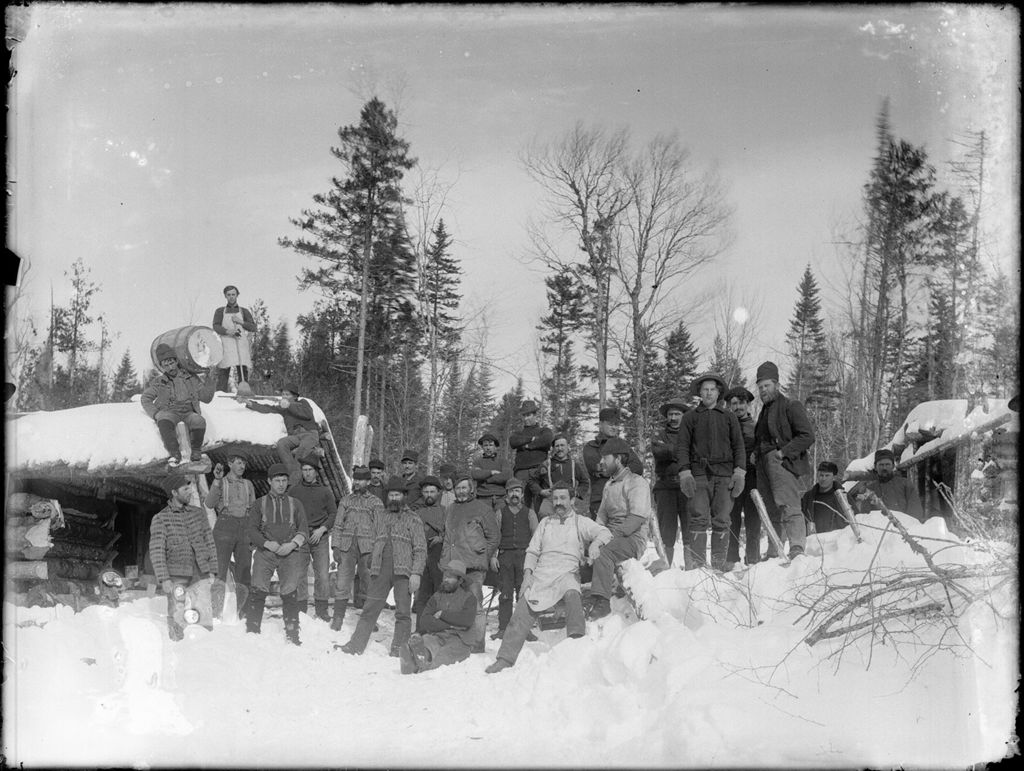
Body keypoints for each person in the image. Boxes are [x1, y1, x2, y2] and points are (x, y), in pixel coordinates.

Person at [485, 483, 612, 674]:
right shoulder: (545, 523)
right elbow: (533, 551)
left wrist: (595, 545)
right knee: (522, 609)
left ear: (571, 500)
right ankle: (504, 658)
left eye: (563, 498)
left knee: (572, 594)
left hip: (566, 573)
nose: (558, 502)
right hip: (542, 574)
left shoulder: (580, 522)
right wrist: (528, 575)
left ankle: (576, 646)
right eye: (555, 498)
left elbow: (605, 532)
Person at [339, 478, 427, 656]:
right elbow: (371, 539)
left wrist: (416, 573)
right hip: (380, 570)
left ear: (404, 496)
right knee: (370, 608)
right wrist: (371, 560)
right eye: (391, 495)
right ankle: (356, 645)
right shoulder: (381, 516)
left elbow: (420, 548)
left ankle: (399, 649)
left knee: (403, 612)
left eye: (397, 495)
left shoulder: (413, 519)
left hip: (404, 571)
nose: (394, 498)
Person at [675, 374, 747, 572]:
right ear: (699, 392)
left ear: (718, 392)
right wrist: (685, 472)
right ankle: (698, 565)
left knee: (722, 518)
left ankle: (718, 564)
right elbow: (682, 447)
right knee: (698, 517)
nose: (708, 393)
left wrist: (739, 472)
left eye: (712, 389)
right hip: (698, 475)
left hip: (724, 475)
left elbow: (739, 447)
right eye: (705, 389)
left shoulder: (729, 417)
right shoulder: (690, 417)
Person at [753, 361, 815, 560]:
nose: (763, 390)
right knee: (771, 508)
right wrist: (756, 453)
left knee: (789, 505)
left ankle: (797, 546)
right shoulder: (763, 412)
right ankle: (774, 549)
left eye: (767, 385)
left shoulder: (791, 406)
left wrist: (784, 452)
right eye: (760, 387)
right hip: (763, 465)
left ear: (777, 385)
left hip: (781, 462)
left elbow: (807, 436)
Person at [244, 464, 310, 645]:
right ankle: (252, 630)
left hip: (289, 553)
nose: (281, 485)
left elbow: (304, 529)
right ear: (269, 482)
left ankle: (292, 633)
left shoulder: (295, 504)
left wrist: (292, 544)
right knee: (258, 588)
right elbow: (252, 530)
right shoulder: (259, 504)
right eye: (277, 481)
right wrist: (267, 544)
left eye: (284, 481)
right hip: (266, 551)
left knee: (289, 591)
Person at [590, 437, 654, 619]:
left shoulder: (637, 482)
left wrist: (605, 539)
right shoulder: (609, 485)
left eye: (605, 458)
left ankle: (602, 603)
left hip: (632, 538)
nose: (601, 462)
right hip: (612, 536)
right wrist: (594, 536)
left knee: (602, 553)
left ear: (618, 459)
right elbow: (601, 516)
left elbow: (635, 520)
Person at [149, 474, 218, 641]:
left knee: (204, 612)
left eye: (190, 487)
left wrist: (213, 570)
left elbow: (209, 541)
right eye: (185, 488)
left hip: (200, 571)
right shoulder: (161, 519)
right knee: (176, 611)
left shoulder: (198, 514)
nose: (190, 492)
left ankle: (204, 648)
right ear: (174, 492)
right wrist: (164, 578)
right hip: (176, 574)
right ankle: (176, 645)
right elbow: (156, 551)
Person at [440, 475, 500, 653]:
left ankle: (477, 644)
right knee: (450, 604)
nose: (461, 492)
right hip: (452, 564)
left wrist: (481, 555)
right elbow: (447, 535)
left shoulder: (482, 509)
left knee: (475, 606)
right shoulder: (450, 509)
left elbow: (494, 537)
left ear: (471, 489)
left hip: (473, 567)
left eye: (464, 488)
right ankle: (454, 641)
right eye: (458, 488)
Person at [141, 343, 216, 466]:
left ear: (176, 361)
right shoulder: (160, 382)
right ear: (162, 367)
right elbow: (145, 398)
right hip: (170, 411)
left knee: (199, 420)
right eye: (166, 365)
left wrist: (210, 379)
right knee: (164, 420)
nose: (170, 367)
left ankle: (196, 450)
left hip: (188, 411)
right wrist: (156, 413)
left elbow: (206, 398)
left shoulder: (191, 378)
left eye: (171, 363)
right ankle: (174, 453)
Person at [400, 560, 479, 675]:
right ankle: (419, 655)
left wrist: (442, 615)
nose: (445, 579)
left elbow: (466, 620)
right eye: (445, 576)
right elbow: (425, 620)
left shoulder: (469, 598)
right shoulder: (437, 596)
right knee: (427, 641)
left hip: (461, 640)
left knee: (445, 654)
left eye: (450, 577)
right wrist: (450, 625)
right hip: (438, 635)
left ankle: (419, 665)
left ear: (460, 580)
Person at [330, 465, 384, 631]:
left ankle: (369, 620)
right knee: (343, 581)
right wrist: (336, 547)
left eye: (361, 480)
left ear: (368, 481)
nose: (357, 483)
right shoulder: (346, 500)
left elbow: (381, 528)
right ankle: (338, 617)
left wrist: (376, 552)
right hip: (347, 547)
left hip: (367, 548)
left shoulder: (376, 502)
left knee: (368, 583)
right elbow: (338, 525)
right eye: (356, 479)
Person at [205, 451, 256, 620]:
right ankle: (215, 613)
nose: (242, 466)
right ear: (229, 463)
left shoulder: (248, 484)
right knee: (219, 571)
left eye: (244, 463)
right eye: (238, 462)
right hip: (224, 528)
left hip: (245, 529)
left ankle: (243, 613)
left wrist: (253, 535)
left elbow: (254, 510)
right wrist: (217, 481)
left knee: (244, 572)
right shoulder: (221, 481)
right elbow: (209, 503)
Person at [243, 384, 321, 485]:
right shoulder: (283, 408)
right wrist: (250, 403)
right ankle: (294, 476)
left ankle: (292, 485)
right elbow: (267, 408)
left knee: (301, 453)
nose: (284, 396)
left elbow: (307, 414)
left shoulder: (303, 402)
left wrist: (289, 405)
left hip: (310, 434)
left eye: (287, 394)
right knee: (281, 444)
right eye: (283, 394)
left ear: (295, 396)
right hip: (295, 435)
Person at [291, 456, 337, 621]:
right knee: (299, 574)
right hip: (301, 537)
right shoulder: (294, 491)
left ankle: (322, 609)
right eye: (304, 470)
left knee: (322, 574)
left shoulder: (325, 491)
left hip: (320, 537)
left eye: (310, 470)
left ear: (316, 472)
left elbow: (333, 514)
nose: (307, 473)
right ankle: (301, 608)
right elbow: (289, 513)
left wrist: (323, 529)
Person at [492, 478, 539, 640]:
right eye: (511, 491)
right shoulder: (500, 513)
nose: (514, 494)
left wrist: (535, 559)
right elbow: (495, 537)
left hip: (524, 557)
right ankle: (503, 628)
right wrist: (493, 556)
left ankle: (524, 628)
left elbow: (537, 537)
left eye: (517, 491)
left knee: (523, 593)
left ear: (522, 494)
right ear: (506, 495)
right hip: (505, 557)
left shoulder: (529, 513)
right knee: (505, 593)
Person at [650, 396, 690, 568]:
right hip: (665, 487)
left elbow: (694, 454)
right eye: (670, 414)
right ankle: (665, 566)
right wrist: (681, 451)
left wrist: (669, 451)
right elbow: (658, 452)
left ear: (683, 415)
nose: (673, 418)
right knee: (667, 531)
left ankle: (692, 567)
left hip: (686, 487)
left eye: (677, 414)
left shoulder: (690, 433)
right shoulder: (659, 433)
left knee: (690, 527)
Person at [582, 407, 643, 518]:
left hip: (621, 500)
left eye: (616, 424)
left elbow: (638, 468)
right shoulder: (590, 447)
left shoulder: (623, 446)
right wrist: (623, 470)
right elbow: (597, 467)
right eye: (610, 424)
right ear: (600, 424)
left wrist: (613, 471)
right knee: (601, 534)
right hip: (600, 500)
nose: (614, 427)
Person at [724, 386, 761, 566]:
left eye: (741, 403)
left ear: (747, 404)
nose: (738, 407)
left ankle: (753, 558)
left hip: (753, 477)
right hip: (731, 478)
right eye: (734, 403)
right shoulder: (726, 426)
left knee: (753, 519)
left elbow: (764, 447)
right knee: (732, 518)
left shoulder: (756, 427)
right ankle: (731, 558)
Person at [849, 449, 924, 521]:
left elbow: (915, 512)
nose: (884, 468)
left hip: (903, 529)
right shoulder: (870, 489)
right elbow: (866, 516)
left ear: (893, 466)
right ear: (875, 467)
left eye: (887, 464)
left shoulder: (905, 484)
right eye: (881, 465)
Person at [508, 400, 554, 512]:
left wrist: (526, 446)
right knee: (520, 505)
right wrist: (531, 439)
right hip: (521, 473)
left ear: (535, 415)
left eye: (528, 415)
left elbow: (547, 440)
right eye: (524, 415)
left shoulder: (544, 431)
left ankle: (541, 528)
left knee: (541, 504)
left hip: (538, 472)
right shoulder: (518, 433)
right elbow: (513, 442)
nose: (526, 418)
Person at [412, 475, 448, 620]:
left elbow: (452, 533)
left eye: (432, 492)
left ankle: (436, 625)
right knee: (422, 594)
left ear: (438, 492)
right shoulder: (416, 512)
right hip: (421, 556)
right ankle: (420, 627)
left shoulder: (445, 511)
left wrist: (441, 538)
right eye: (426, 492)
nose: (429, 495)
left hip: (438, 556)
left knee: (438, 590)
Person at [531, 434, 590, 517]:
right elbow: (532, 481)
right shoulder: (546, 464)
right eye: (557, 446)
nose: (560, 448)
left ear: (568, 447)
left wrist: (576, 493)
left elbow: (585, 482)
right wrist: (541, 491)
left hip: (568, 499)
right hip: (550, 499)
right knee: (544, 514)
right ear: (554, 448)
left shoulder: (574, 464)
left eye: (562, 445)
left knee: (572, 521)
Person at [212, 284, 257, 392]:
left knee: (242, 367)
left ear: (237, 295)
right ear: (225, 296)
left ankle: (244, 392)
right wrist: (228, 331)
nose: (231, 297)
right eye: (229, 295)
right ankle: (220, 393)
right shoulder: (220, 311)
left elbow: (253, 327)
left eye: (233, 294)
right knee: (224, 367)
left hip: (240, 341)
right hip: (226, 341)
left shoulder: (244, 311)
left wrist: (240, 321)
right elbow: (216, 326)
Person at [802, 461, 848, 534]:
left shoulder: (843, 498)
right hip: (813, 541)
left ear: (834, 477)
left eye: (827, 475)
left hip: (836, 541)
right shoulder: (808, 497)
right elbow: (800, 519)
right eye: (821, 475)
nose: (823, 478)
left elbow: (856, 521)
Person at [471, 433, 511, 509]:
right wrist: (491, 472)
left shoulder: (503, 461)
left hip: (501, 499)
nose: (488, 448)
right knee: (484, 520)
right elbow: (475, 474)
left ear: (495, 447)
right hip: (483, 498)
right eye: (485, 445)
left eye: (490, 445)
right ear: (482, 447)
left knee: (500, 520)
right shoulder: (478, 462)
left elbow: (506, 476)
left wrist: (485, 478)